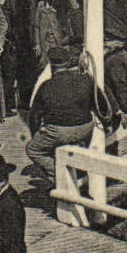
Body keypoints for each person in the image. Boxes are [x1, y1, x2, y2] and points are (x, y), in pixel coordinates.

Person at [23, 46, 95, 177]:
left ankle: (62, 176)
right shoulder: (85, 79)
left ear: (51, 65)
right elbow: (98, 104)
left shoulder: (45, 86)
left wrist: (36, 134)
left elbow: (34, 117)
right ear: (68, 63)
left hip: (59, 132)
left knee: (33, 150)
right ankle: (74, 173)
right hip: (86, 128)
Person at [0, 0, 41, 120]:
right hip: (37, 41)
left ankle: (25, 102)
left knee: (22, 73)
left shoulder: (9, 0)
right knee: (37, 71)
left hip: (19, 44)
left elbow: (6, 25)